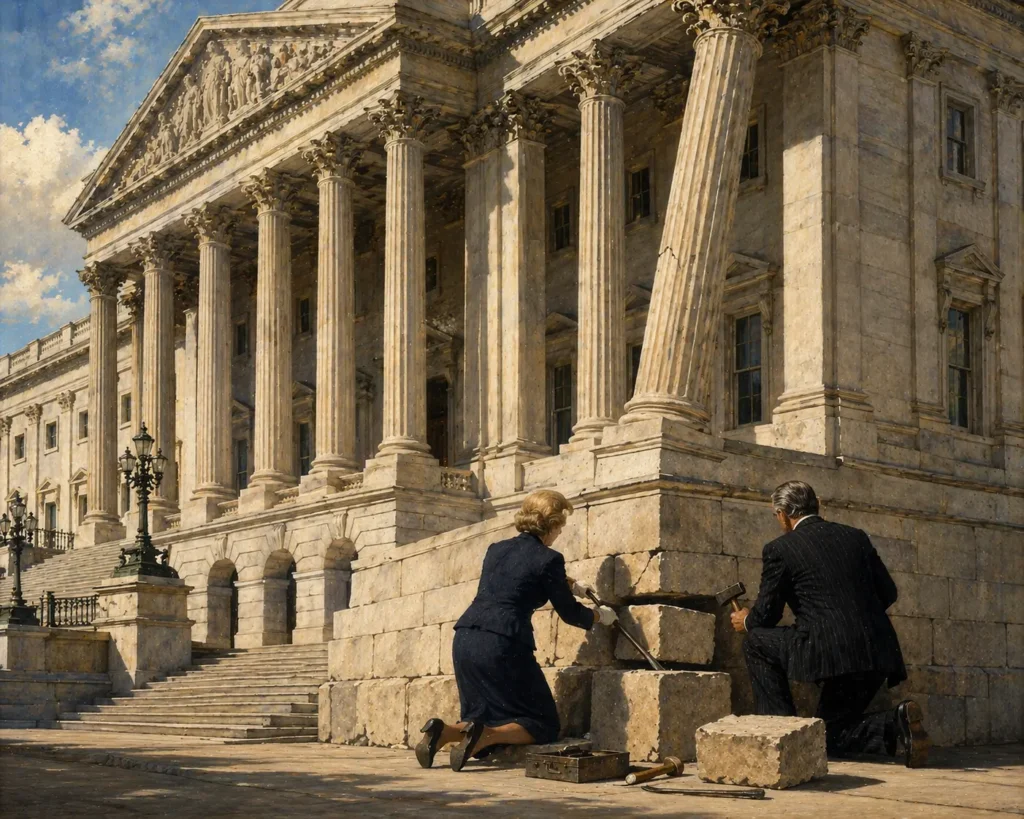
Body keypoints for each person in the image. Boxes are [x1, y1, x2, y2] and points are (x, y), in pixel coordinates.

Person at [414, 489, 617, 772]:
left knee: (484, 712)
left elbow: (518, 571)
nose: (561, 532)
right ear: (552, 523)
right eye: (561, 525)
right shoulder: (550, 559)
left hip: (466, 638)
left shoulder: (496, 549)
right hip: (503, 642)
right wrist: (599, 616)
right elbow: (570, 613)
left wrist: (570, 584)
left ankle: (443, 732)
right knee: (543, 723)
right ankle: (486, 736)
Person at [731, 480, 930, 767]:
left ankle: (781, 735)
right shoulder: (855, 537)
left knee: (755, 642)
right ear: (818, 505)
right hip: (877, 650)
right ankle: (894, 723)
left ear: (783, 514)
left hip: (829, 651)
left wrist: (746, 620)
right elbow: (889, 592)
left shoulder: (780, 548)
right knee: (829, 734)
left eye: (777, 516)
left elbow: (766, 616)